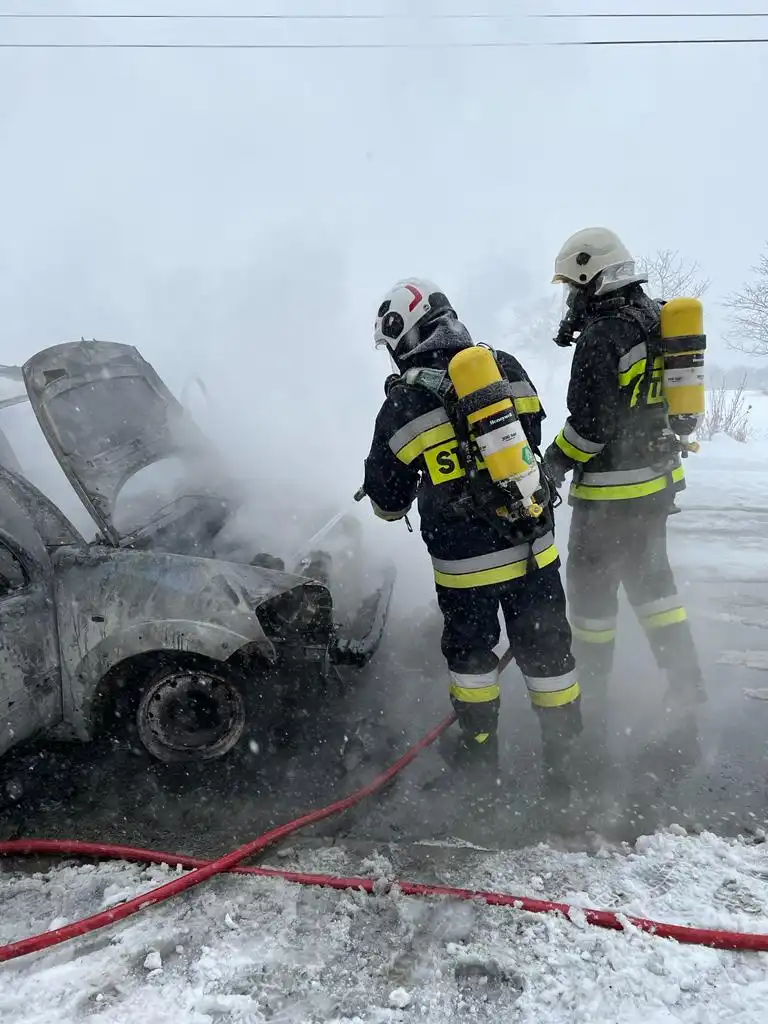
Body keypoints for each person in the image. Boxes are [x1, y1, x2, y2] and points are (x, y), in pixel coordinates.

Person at [361, 278, 582, 797]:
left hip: (467, 569)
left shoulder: (404, 403)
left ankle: (480, 756)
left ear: (401, 333)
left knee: (473, 662)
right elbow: (528, 437)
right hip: (534, 549)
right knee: (549, 656)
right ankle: (565, 764)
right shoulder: (505, 367)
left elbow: (387, 504)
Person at [542, 227, 705, 745]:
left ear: (593, 275)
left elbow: (589, 426)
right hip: (655, 489)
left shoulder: (602, 335)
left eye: (574, 285)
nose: (572, 297)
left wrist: (552, 463)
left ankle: (592, 695)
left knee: (591, 602)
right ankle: (686, 684)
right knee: (656, 588)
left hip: (608, 500)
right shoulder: (658, 319)